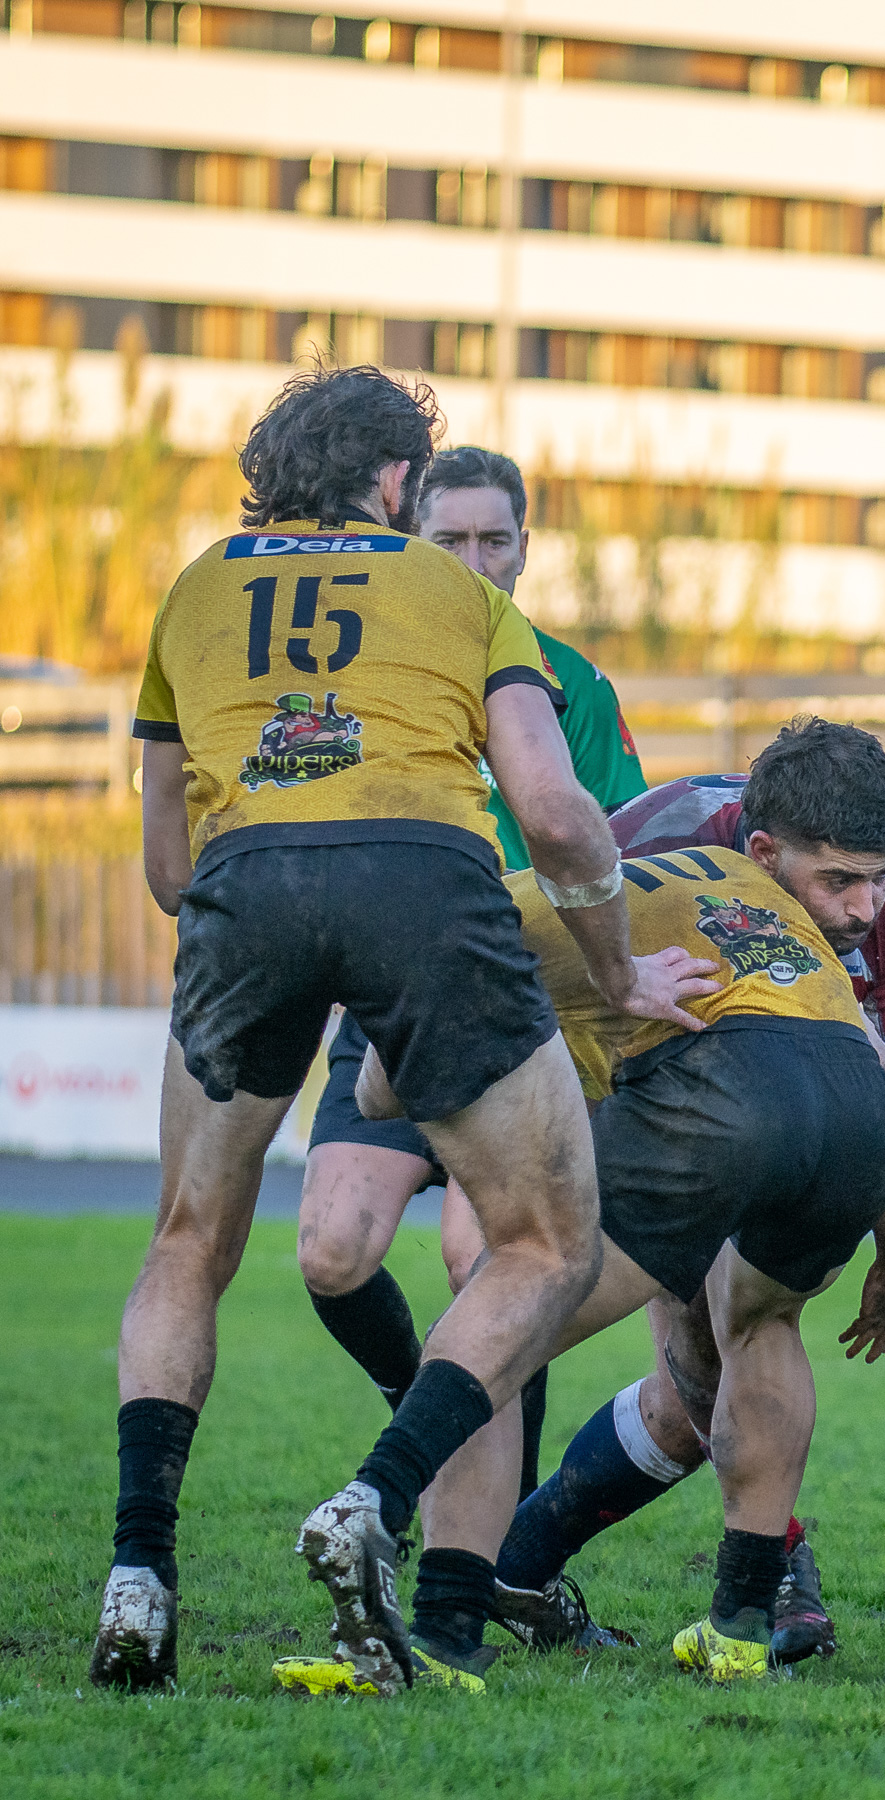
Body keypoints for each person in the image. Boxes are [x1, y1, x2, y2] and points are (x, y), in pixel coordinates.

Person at [91, 365, 710, 1693]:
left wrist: (261, 914)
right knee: (545, 1245)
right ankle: (377, 1496)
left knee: (187, 1243)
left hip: (242, 890)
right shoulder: (462, 596)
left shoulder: (193, 591)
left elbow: (165, 860)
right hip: (428, 894)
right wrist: (615, 970)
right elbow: (557, 816)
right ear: (393, 482)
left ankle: (139, 1569)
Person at [303, 840, 885, 1693]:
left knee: (495, 1325)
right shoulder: (756, 894)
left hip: (725, 1099)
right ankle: (740, 1630)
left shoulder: (502, 902)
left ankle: (407, 1566)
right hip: (860, 1118)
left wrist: (389, 1019)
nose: (863, 905)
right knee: (762, 1324)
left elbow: (380, 1096)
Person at [490, 720, 885, 1665]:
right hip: (658, 1111)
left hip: (810, 1129)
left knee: (691, 1401)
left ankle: (516, 1566)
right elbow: (541, 1021)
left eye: (880, 876)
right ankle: (765, 1584)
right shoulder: (646, 851)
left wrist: (823, 1101)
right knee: (703, 1372)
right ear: (762, 853)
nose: (868, 906)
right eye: (840, 882)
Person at [296, 445, 647, 1510]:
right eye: (449, 538)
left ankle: (487, 1556)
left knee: (482, 1259)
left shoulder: (573, 684)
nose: (474, 559)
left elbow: (622, 841)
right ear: (412, 545)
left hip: (523, 1007)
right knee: (332, 1255)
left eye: (495, 539)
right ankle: (428, 1412)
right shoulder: (358, 674)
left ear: (525, 550)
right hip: (391, 999)